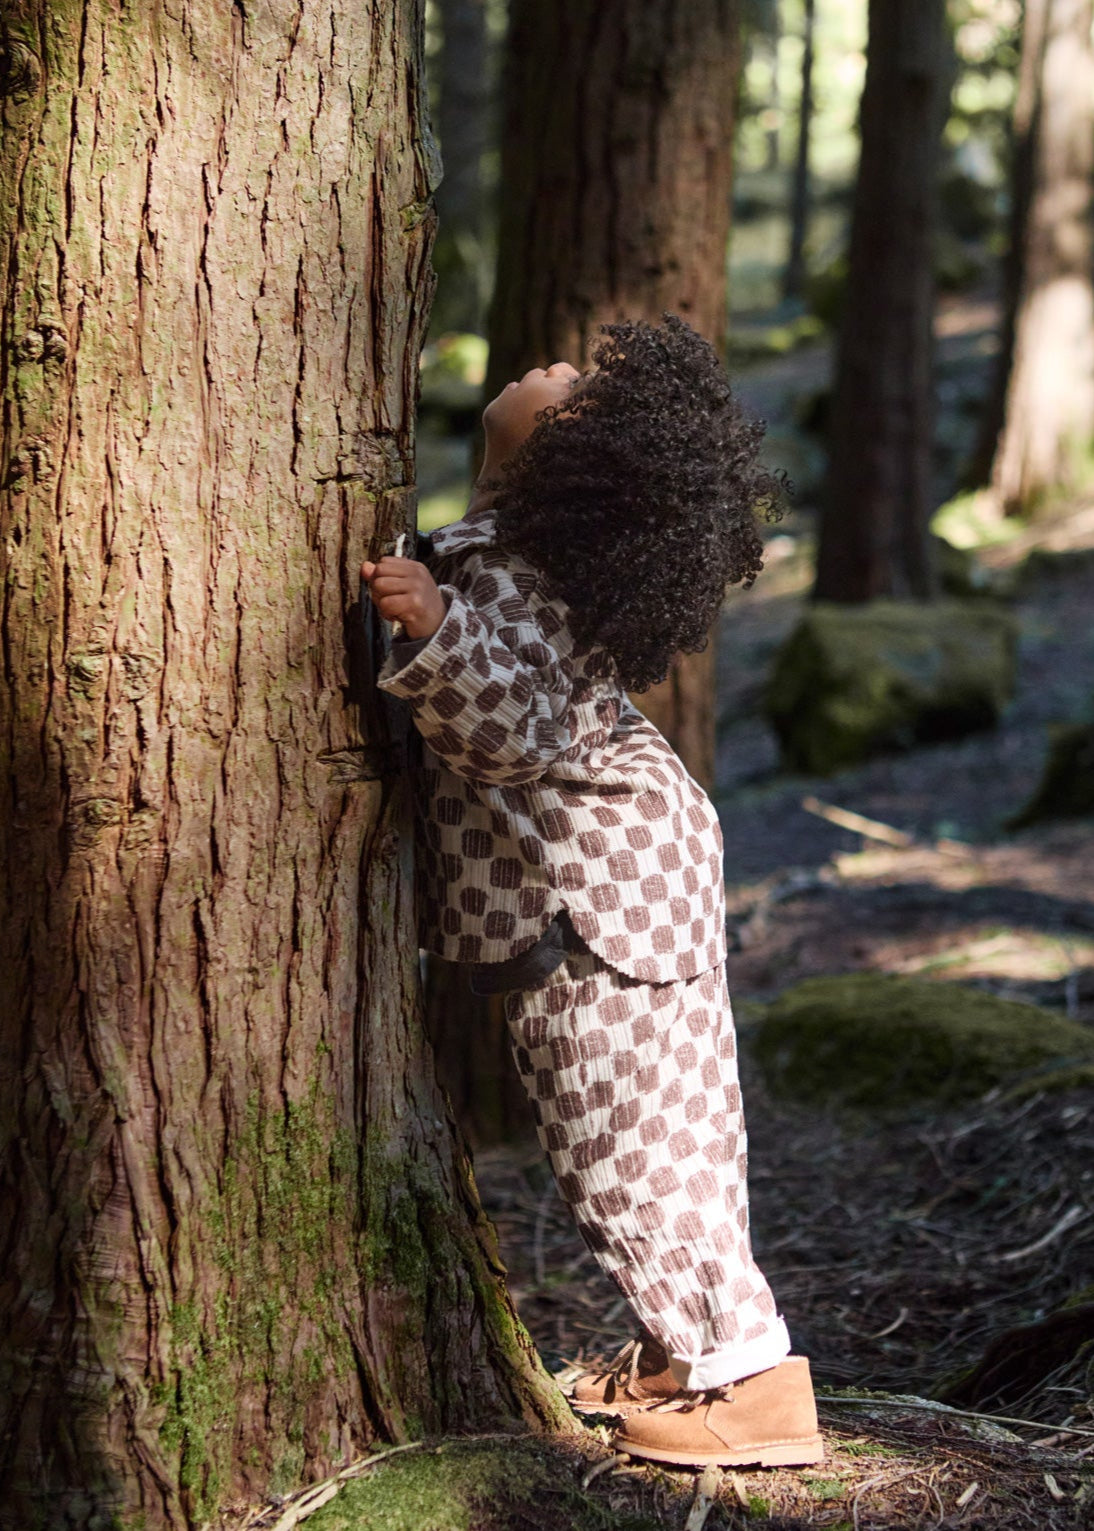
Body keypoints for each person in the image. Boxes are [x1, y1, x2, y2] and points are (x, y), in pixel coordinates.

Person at [361, 316, 822, 1469]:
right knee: (664, 1131)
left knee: (632, 1146)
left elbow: (513, 726)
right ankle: (693, 1354)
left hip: (598, 901)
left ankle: (747, 1385)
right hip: (619, 881)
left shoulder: (523, 576)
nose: (554, 365)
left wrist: (434, 625)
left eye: (569, 391)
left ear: (568, 466)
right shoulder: (515, 552)